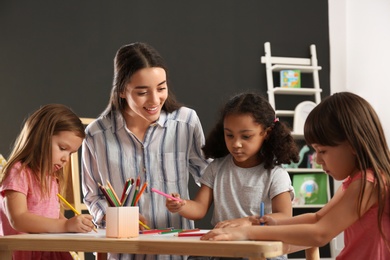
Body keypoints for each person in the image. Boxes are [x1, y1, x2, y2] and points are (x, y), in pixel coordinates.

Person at [200, 92, 390, 259]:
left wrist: (247, 232)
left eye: (322, 151)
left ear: (352, 145)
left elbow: (320, 234)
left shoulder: (369, 183)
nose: (318, 160)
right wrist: (267, 223)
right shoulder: (355, 182)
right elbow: (317, 218)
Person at [81, 42, 210, 260]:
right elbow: (92, 196)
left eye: (161, 88)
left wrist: (188, 206)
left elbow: (209, 175)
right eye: (142, 92)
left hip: (175, 253)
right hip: (122, 252)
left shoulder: (186, 122)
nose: (154, 100)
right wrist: (115, 218)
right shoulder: (96, 135)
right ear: (121, 90)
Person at [166, 92, 300, 260]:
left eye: (246, 136)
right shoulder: (217, 168)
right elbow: (199, 209)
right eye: (229, 135)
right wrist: (182, 205)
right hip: (224, 249)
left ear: (266, 133)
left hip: (260, 249)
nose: (236, 144)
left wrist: (248, 221)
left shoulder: (275, 174)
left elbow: (284, 217)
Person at [0, 104, 95, 260]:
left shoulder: (51, 177)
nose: (66, 158)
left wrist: (74, 225)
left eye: (71, 153)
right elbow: (18, 219)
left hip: (50, 249)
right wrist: (65, 226)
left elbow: (51, 214)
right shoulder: (19, 172)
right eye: (63, 148)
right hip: (25, 252)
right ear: (41, 137)